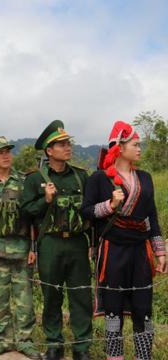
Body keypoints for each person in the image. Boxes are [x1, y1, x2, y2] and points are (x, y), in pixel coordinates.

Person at [81, 121, 167, 360]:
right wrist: (111, 205)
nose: (139, 148)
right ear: (119, 147)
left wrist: (160, 251)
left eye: (139, 144)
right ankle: (115, 357)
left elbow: (152, 218)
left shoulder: (146, 178)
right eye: (135, 144)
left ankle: (143, 357)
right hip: (113, 250)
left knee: (143, 308)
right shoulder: (99, 179)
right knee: (113, 310)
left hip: (141, 250)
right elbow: (86, 211)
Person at [20, 120, 92, 360]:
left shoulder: (81, 177)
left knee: (80, 295)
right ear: (49, 151)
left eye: (68, 143)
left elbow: (89, 212)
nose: (67, 147)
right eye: (61, 144)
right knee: (52, 295)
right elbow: (26, 211)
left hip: (77, 243)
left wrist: (92, 244)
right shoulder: (34, 179)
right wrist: (46, 200)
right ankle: (54, 344)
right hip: (50, 243)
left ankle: (82, 347)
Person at [0, 137, 40, 359]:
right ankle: (2, 340)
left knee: (25, 300)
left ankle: (25, 341)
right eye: (0, 152)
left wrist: (34, 248)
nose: (5, 155)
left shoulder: (24, 182)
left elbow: (34, 218)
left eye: (8, 151)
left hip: (22, 249)